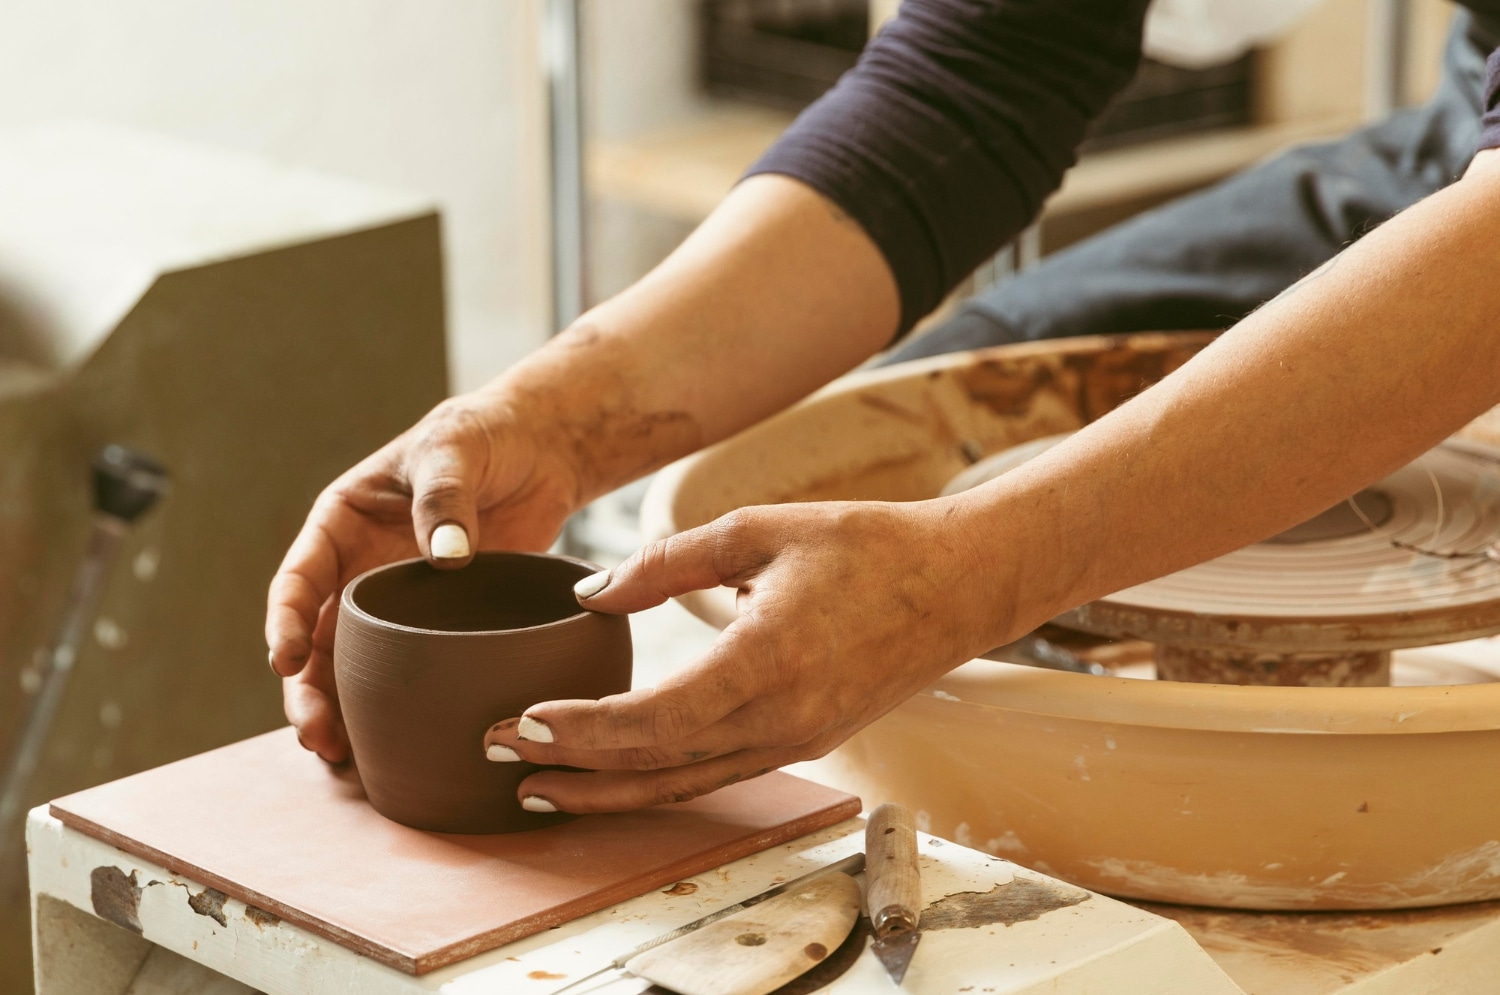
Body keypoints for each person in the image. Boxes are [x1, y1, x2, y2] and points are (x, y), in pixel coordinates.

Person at [266, 0, 1500, 816]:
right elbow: (984, 76)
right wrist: (560, 421)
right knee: (952, 399)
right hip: (1468, 126)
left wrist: (987, 570)